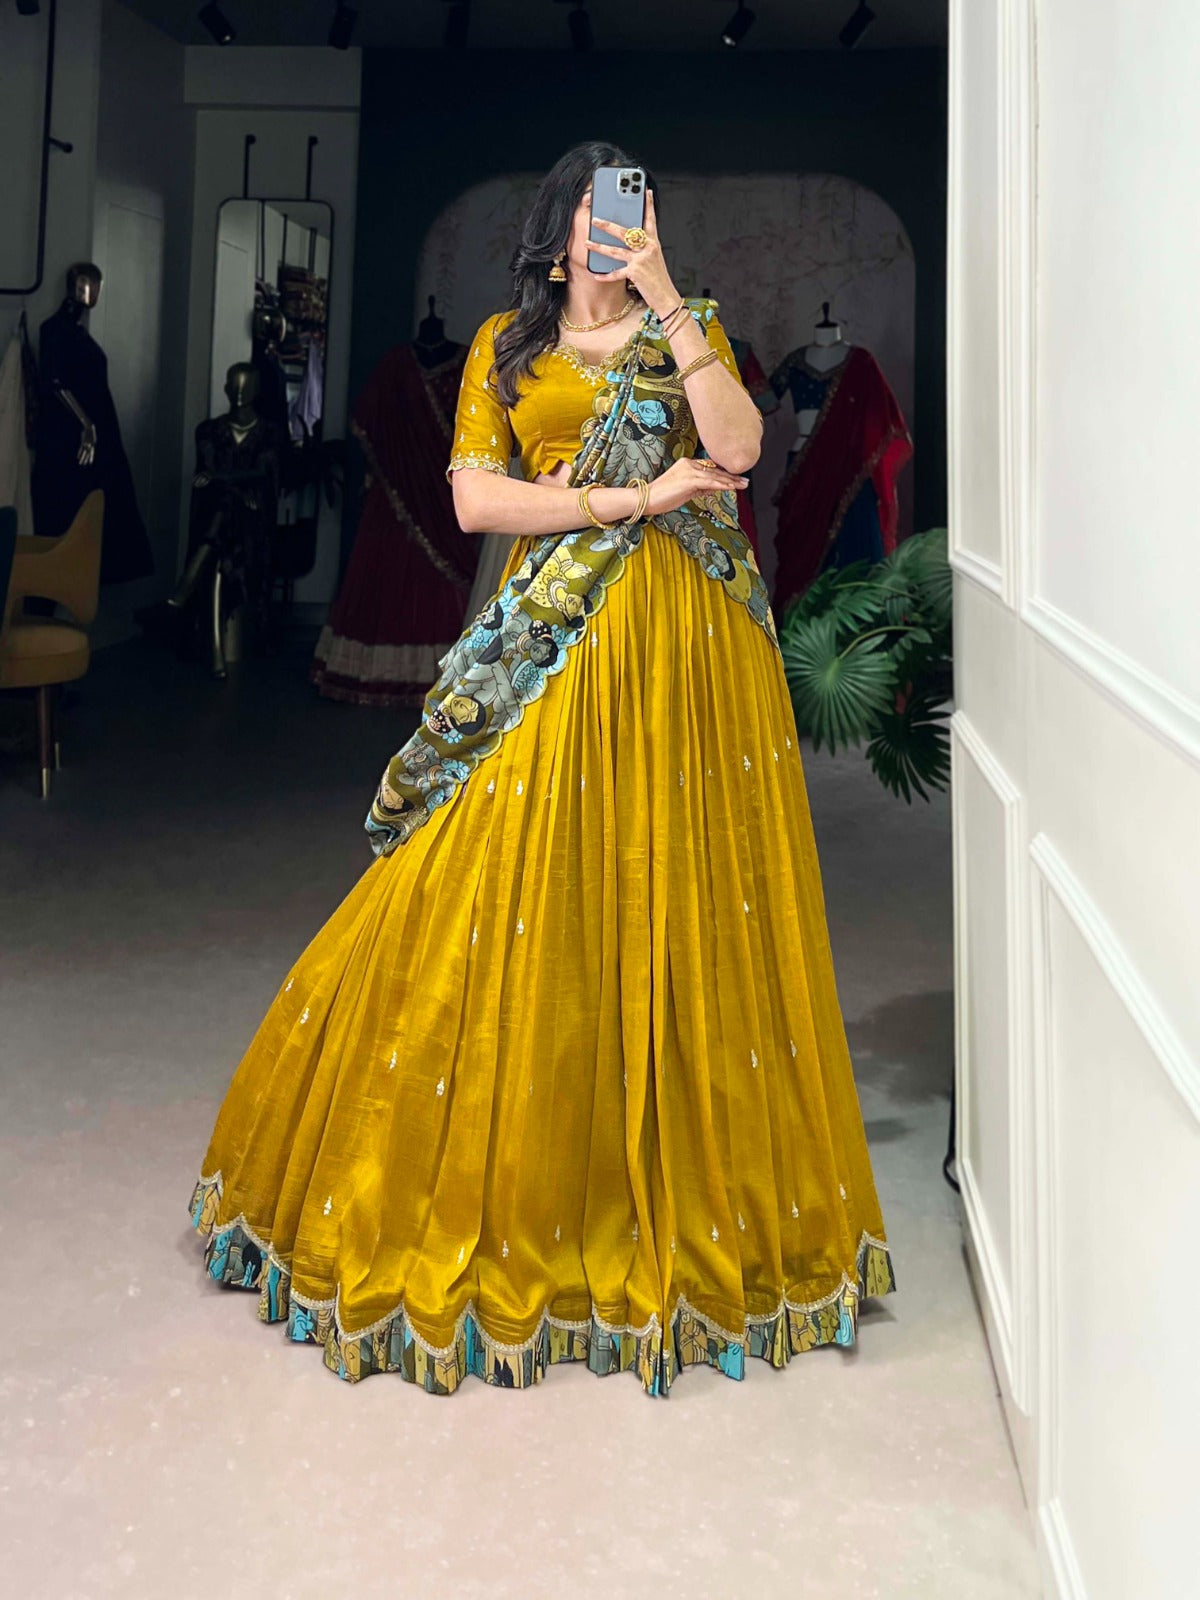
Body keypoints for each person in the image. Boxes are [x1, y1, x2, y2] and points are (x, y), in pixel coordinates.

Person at [188, 141, 897, 1398]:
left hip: (689, 653)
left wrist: (670, 298)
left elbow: (737, 450)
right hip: (554, 636)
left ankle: (672, 1195)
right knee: (489, 870)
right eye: (592, 209)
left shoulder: (690, 323)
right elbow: (476, 502)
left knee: (678, 895)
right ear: (556, 229)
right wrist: (625, 501)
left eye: (633, 208)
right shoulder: (504, 348)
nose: (610, 228)